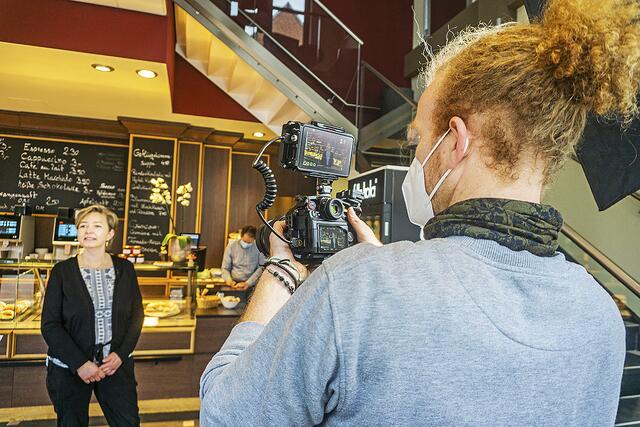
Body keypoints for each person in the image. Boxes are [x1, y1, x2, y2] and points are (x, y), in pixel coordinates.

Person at [200, 0, 634, 425]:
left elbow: (225, 413)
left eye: (417, 143)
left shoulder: (357, 288)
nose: (415, 158)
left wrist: (281, 270)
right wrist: (385, 269)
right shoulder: (600, 316)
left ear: (455, 142)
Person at [42, 205, 144, 427]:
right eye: (83, 226)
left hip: (115, 365)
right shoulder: (62, 272)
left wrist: (120, 354)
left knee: (128, 422)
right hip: (69, 368)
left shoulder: (125, 269)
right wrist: (80, 363)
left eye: (97, 226)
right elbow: (50, 325)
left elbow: (136, 317)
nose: (88, 230)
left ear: (110, 234)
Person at [220, 225, 265, 291]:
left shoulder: (258, 248)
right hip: (233, 282)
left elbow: (261, 267)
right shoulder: (231, 246)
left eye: (249, 242)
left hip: (251, 284)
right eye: (244, 241)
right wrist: (228, 280)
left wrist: (248, 283)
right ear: (241, 236)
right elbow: (225, 268)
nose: (246, 244)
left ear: (254, 240)